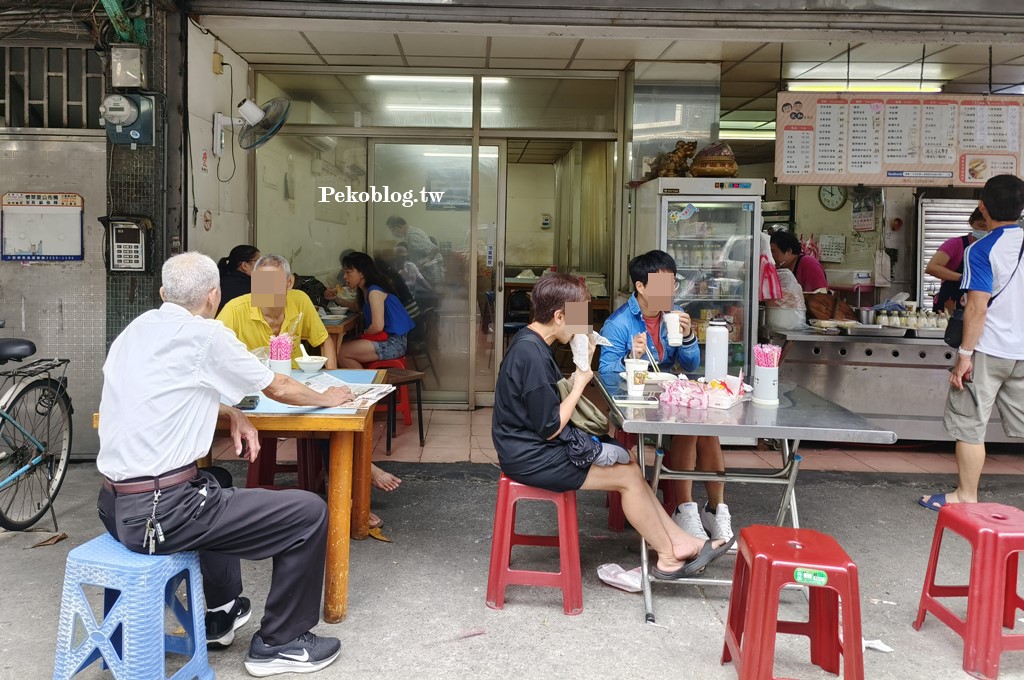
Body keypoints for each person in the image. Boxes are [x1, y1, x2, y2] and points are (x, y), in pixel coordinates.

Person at [97, 252, 354, 676]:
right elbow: (281, 387)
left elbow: (173, 389)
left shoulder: (134, 331)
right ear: (214, 295)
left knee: (212, 478)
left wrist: (233, 413)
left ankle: (219, 615)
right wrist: (329, 398)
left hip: (114, 506)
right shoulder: (206, 334)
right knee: (308, 512)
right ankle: (281, 642)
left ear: (163, 294)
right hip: (163, 512)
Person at [493, 273, 733, 579]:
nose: (584, 324)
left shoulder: (535, 344)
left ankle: (683, 542)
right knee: (627, 477)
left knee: (630, 464)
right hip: (530, 456)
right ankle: (669, 557)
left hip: (530, 446)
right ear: (558, 316)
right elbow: (549, 427)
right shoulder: (530, 354)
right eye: (579, 315)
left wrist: (577, 371)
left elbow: (542, 404)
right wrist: (581, 380)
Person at [599, 250, 734, 545]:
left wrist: (687, 338)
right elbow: (605, 375)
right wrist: (631, 358)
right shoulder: (619, 324)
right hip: (635, 405)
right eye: (662, 285)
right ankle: (687, 509)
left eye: (672, 284)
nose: (670, 292)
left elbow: (689, 365)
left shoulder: (673, 316)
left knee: (705, 428)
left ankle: (715, 509)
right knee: (690, 424)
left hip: (668, 399)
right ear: (641, 287)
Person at [920, 175, 1024, 511]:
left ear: (983, 206)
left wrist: (964, 356)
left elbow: (977, 306)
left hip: (989, 349)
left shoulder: (981, 249)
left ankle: (965, 495)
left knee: (970, 424)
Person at [216, 254, 337, 371]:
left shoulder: (300, 301)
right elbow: (211, 346)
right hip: (254, 380)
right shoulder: (235, 309)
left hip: (295, 379)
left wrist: (333, 377)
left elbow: (324, 340)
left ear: (289, 283)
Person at [335, 251, 416, 369]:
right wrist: (336, 299)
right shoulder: (365, 290)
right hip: (387, 339)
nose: (344, 276)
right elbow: (356, 308)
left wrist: (363, 335)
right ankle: (364, 383)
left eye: (348, 272)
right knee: (343, 346)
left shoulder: (374, 292)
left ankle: (365, 386)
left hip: (393, 343)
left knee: (341, 352)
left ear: (362, 273)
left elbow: (377, 326)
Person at [927, 208, 986, 313]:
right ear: (971, 223)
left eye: (988, 228)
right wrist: (962, 278)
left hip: (980, 303)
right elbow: (932, 268)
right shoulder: (955, 244)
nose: (984, 231)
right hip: (951, 303)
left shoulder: (994, 248)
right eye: (981, 226)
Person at [386, 215, 445, 289]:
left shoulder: (413, 237)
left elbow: (434, 249)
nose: (393, 233)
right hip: (424, 274)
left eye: (392, 230)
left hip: (430, 274)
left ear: (399, 227)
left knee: (431, 296)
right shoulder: (412, 232)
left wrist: (426, 260)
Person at [217, 244, 260, 312]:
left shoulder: (222, 281)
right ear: (244, 265)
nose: (262, 265)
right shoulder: (251, 286)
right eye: (258, 262)